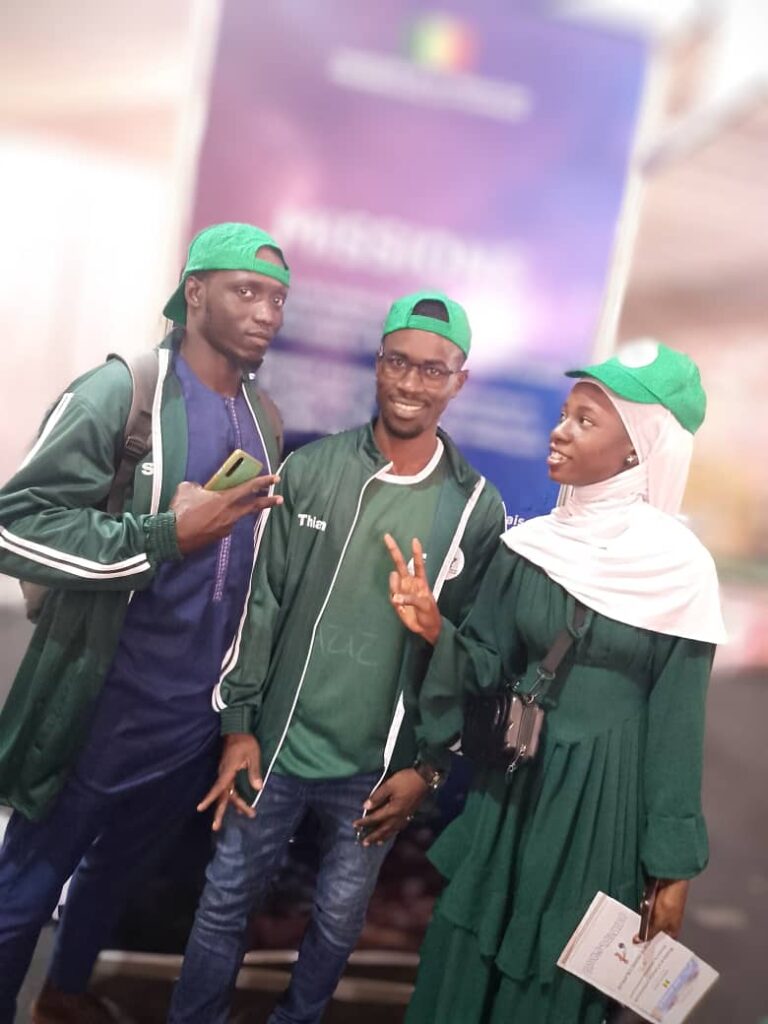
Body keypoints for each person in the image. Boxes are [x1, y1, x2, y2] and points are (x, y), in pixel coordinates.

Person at [167, 291, 506, 1024]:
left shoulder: (476, 508)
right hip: (275, 747)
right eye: (398, 362)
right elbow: (260, 606)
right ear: (377, 365)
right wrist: (240, 726)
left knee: (337, 921)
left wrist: (429, 767)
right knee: (223, 902)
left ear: (459, 381)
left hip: (376, 772)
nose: (410, 383)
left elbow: (475, 657)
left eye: (432, 369)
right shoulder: (311, 469)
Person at [0, 222, 291, 1024]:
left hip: (189, 720)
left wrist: (234, 711)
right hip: (97, 700)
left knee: (114, 875)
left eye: (277, 298)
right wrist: (161, 535)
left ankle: (62, 996)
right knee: (26, 884)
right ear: (194, 292)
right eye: (246, 291)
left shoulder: (264, 417)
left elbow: (248, 574)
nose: (266, 312)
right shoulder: (122, 391)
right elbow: (15, 523)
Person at [388, 340, 726, 1024]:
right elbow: (485, 666)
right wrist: (435, 630)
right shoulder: (531, 547)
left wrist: (672, 868)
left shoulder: (680, 571)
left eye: (584, 420)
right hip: (511, 792)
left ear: (636, 450)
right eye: (564, 413)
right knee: (466, 963)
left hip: (602, 813)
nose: (559, 430)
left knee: (553, 979)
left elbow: (677, 729)